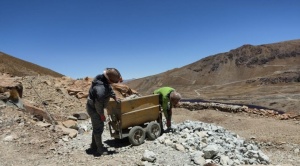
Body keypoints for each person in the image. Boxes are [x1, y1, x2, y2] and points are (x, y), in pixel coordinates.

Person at [86, 68, 122, 156]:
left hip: (95, 106)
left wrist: (115, 97)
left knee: (96, 127)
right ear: (109, 79)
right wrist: (101, 115)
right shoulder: (100, 90)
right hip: (94, 109)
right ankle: (100, 149)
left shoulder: (102, 79)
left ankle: (94, 145)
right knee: (99, 128)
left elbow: (109, 89)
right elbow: (98, 105)